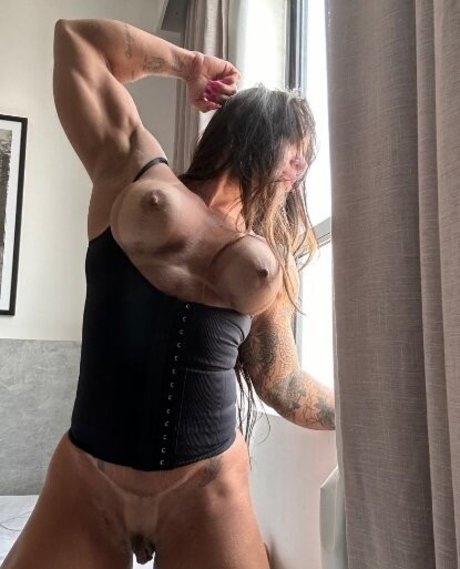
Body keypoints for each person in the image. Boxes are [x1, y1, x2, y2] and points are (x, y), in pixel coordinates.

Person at [1, 18, 335, 569]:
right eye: (298, 151)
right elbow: (75, 42)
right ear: (257, 129)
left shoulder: (266, 260)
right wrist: (188, 65)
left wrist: (358, 410)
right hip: (88, 476)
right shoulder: (134, 168)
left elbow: (283, 383)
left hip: (209, 488)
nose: (299, 171)